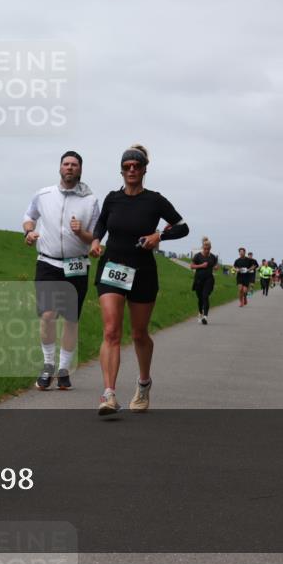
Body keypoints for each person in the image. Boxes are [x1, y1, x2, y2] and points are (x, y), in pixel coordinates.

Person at [89, 144, 188, 415]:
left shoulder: (155, 200)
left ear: (145, 169)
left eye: (136, 165)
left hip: (142, 271)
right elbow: (101, 224)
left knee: (139, 334)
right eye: (127, 166)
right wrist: (96, 240)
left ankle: (143, 384)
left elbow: (182, 227)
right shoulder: (112, 198)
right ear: (121, 170)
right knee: (111, 331)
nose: (131, 169)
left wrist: (160, 236)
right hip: (112, 268)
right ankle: (108, 394)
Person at [23, 151, 100, 390]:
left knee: (70, 319)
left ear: (80, 170)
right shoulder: (43, 194)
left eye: (74, 165)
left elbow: (95, 237)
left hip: (76, 265)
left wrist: (81, 233)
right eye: (66, 164)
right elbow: (28, 216)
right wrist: (29, 231)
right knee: (47, 315)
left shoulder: (91, 200)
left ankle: (64, 370)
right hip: (48, 262)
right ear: (59, 168)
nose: (69, 168)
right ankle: (47, 365)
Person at [190, 236, 218, 324]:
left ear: (210, 248)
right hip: (198, 279)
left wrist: (216, 267)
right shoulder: (197, 256)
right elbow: (191, 266)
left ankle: (205, 317)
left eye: (208, 249)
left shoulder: (213, 257)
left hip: (209, 279)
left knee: (205, 296)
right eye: (205, 249)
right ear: (203, 248)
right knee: (200, 298)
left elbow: (216, 266)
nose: (206, 251)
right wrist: (201, 266)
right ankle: (200, 312)